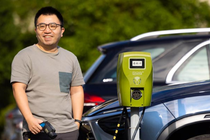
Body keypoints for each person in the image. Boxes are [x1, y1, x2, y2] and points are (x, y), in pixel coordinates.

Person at [11, 6, 85, 140]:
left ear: (61, 31)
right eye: (42, 26)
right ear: (35, 31)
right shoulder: (24, 56)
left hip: (69, 131)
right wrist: (29, 119)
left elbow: (76, 91)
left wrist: (77, 122)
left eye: (53, 26)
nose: (47, 30)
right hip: (38, 130)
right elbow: (18, 89)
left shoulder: (70, 58)